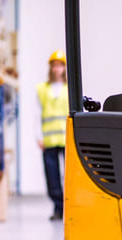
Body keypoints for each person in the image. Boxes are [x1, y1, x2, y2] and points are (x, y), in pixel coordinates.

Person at [36, 50, 69, 221]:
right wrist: (38, 136)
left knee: (69, 175)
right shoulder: (42, 89)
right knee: (52, 175)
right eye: (54, 66)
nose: (57, 69)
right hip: (48, 140)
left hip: (66, 139)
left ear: (64, 68)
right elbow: (37, 113)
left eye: (60, 65)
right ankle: (58, 207)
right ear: (51, 68)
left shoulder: (69, 89)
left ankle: (69, 206)